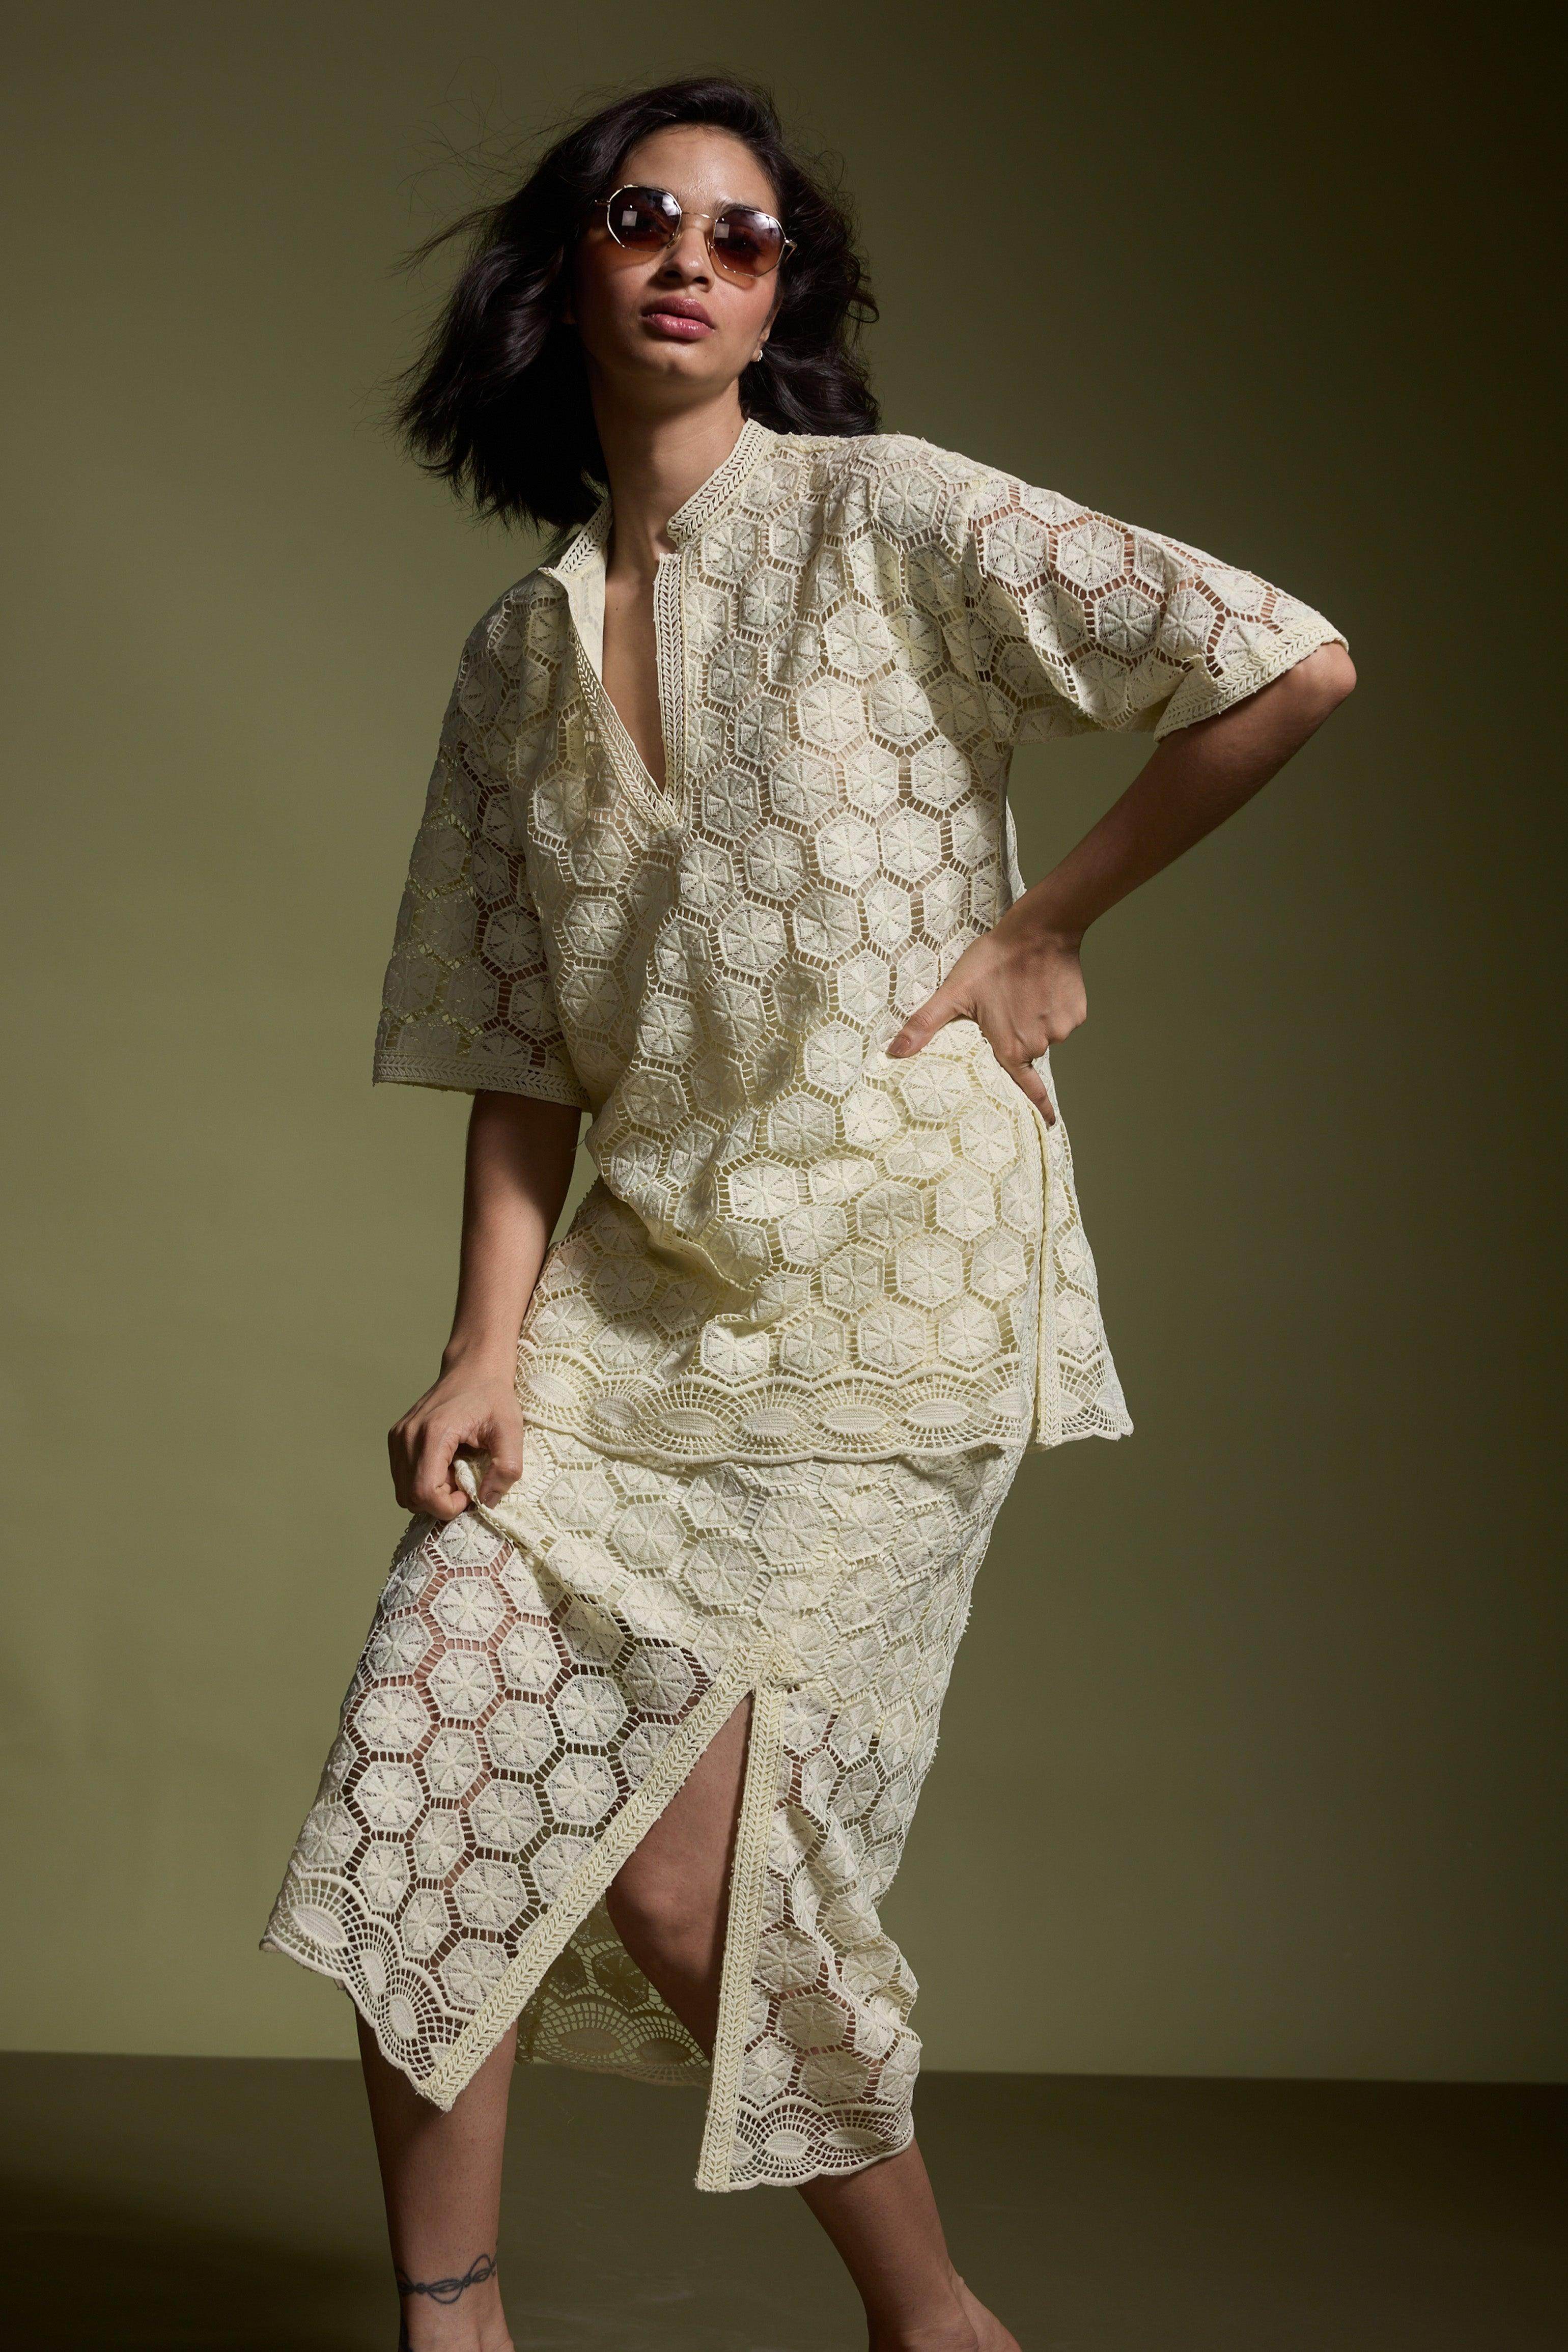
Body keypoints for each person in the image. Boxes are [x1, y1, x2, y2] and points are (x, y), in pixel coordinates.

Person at [262, 71, 1354, 2352]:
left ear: (782, 301)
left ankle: (932, 2323)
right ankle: (447, 2332)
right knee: (426, 1782)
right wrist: (482, 1346)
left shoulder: (889, 516)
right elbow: (520, 1047)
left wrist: (1049, 920)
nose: (690, 256)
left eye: (741, 236)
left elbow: (1283, 657)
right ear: (562, 272)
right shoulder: (517, 654)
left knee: (702, 1889)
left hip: (892, 1285)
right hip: (634, 1296)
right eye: (641, 217)